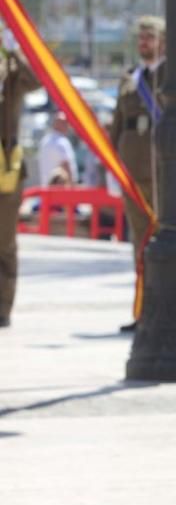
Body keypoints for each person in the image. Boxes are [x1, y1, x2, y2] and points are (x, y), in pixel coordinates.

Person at [108, 15, 176, 331]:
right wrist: (112, 163)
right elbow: (116, 123)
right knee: (140, 242)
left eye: (150, 37)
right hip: (134, 172)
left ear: (163, 41)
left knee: (164, 236)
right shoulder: (132, 76)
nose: (144, 43)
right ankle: (144, 311)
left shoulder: (175, 71)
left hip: (165, 170)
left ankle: (169, 311)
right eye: (141, 38)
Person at [0, 39, 41, 328]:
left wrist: (14, 48)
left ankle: (2, 307)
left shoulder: (11, 74)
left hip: (6, 167)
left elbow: (35, 81)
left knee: (4, 242)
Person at [37, 112, 78, 187]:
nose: (67, 126)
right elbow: (66, 164)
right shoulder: (62, 142)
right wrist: (72, 185)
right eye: (65, 123)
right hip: (60, 189)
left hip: (46, 188)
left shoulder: (45, 141)